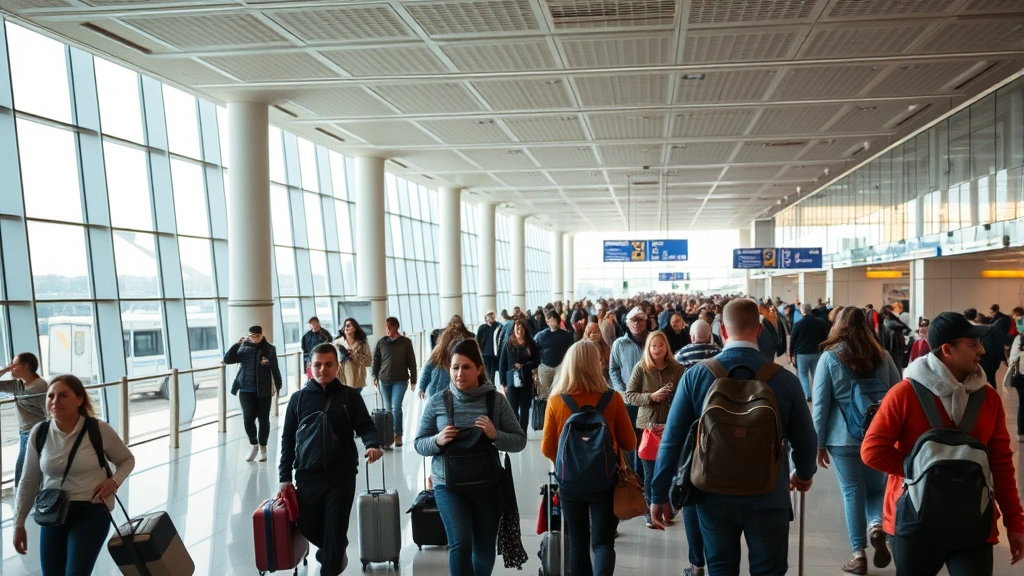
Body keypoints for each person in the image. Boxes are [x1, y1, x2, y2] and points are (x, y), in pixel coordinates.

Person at [649, 298, 817, 576]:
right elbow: (806, 438)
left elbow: (672, 440)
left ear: (723, 332)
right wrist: (804, 473)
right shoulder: (785, 379)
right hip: (769, 494)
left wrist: (659, 493)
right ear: (760, 331)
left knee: (721, 568)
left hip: (711, 494)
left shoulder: (696, 376)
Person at [861, 312, 1024, 574]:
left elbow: (1001, 463)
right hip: (915, 521)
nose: (981, 351)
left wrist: (1015, 523)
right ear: (947, 349)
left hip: (974, 522)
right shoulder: (904, 393)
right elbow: (872, 451)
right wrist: (920, 469)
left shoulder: (988, 399)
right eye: (972, 344)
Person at [414, 339, 527, 576]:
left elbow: (519, 440)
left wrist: (495, 435)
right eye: (455, 367)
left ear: (478, 369)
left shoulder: (495, 400)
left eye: (466, 367)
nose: (459, 373)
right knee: (461, 543)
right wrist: (437, 440)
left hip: (487, 486)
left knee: (484, 553)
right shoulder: (438, 401)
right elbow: (419, 444)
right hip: (448, 486)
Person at [14, 374, 136, 575]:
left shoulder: (98, 429)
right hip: (53, 511)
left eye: (63, 396)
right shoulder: (40, 432)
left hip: (92, 510)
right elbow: (28, 481)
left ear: (79, 399)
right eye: (51, 396)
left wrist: (114, 481)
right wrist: (19, 524)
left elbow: (127, 460)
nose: (55, 401)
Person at [279, 343, 383, 576]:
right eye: (317, 364)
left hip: (341, 476)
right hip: (307, 476)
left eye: (328, 364)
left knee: (335, 530)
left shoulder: (349, 397)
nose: (322, 369)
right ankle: (334, 550)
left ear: (337, 367)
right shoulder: (298, 400)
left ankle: (332, 555)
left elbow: (365, 426)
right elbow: (287, 440)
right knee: (306, 525)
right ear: (309, 367)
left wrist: (372, 444)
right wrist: (284, 476)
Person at [811, 307, 902, 574]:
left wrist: (818, 444)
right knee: (875, 491)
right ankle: (876, 525)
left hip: (842, 438)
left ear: (838, 326)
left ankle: (858, 554)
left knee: (852, 493)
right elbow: (898, 394)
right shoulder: (882, 356)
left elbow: (820, 407)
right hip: (878, 436)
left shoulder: (829, 358)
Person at [541, 340, 637, 576]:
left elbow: (546, 448)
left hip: (570, 484)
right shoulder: (612, 398)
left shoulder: (556, 401)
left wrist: (568, 463)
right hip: (605, 480)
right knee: (603, 542)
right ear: (597, 365)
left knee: (578, 543)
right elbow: (630, 443)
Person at [624, 331, 683, 529]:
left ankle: (668, 506)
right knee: (650, 472)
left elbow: (684, 397)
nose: (657, 349)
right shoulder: (641, 368)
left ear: (667, 347)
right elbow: (630, 395)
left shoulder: (677, 369)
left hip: (671, 426)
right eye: (653, 346)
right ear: (648, 348)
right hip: (648, 427)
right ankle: (650, 509)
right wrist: (651, 397)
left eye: (661, 345)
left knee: (671, 470)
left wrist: (670, 397)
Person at [224, 325, 283, 462]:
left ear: (262, 335)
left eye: (257, 336)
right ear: (248, 335)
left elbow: (274, 368)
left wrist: (279, 386)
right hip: (245, 389)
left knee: (263, 419)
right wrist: (237, 344)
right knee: (248, 419)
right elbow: (227, 360)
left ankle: (263, 448)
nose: (255, 338)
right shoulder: (243, 347)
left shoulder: (269, 348)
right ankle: (254, 444)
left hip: (264, 389)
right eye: (252, 336)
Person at [609, 306, 649, 477]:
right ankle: (629, 477)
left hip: (649, 399)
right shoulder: (620, 344)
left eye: (640, 319)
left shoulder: (653, 340)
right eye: (633, 320)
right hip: (628, 401)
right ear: (627, 323)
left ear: (646, 322)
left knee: (646, 440)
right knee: (628, 439)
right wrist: (622, 391)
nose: (636, 323)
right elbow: (614, 370)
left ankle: (644, 475)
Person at [0, 352, 47, 486]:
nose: (11, 368)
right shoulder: (18, 384)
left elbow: (48, 411)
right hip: (25, 432)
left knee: (22, 471)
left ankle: (22, 502)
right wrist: (6, 370)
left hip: (37, 432)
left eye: (14, 365)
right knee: (29, 470)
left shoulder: (39, 386)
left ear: (25, 366)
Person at [372, 317, 417, 448]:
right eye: (386, 327)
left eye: (389, 327)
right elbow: (376, 360)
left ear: (396, 327)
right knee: (388, 410)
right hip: (384, 380)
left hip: (400, 380)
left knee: (396, 407)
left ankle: (398, 434)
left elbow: (412, 362)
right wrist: (375, 377)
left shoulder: (405, 342)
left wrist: (413, 379)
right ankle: (388, 435)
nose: (387, 329)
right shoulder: (381, 342)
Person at [497, 318, 539, 433]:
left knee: (525, 408)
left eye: (521, 328)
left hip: (526, 380)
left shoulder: (530, 343)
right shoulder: (508, 343)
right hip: (511, 381)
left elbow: (537, 361)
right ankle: (517, 432)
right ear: (513, 329)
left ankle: (523, 432)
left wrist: (526, 366)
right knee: (513, 409)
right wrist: (502, 382)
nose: (519, 330)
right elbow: (502, 363)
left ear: (525, 329)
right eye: (517, 328)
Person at [790, 302, 830, 402]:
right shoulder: (820, 323)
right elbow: (825, 338)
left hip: (802, 354)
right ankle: (818, 394)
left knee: (803, 374)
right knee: (816, 374)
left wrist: (791, 354)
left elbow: (793, 340)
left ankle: (807, 395)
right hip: (816, 353)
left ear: (802, 311)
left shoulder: (798, 324)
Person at [534, 311, 575, 398]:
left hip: (560, 366)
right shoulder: (541, 335)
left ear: (557, 321)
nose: (552, 323)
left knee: (559, 392)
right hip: (545, 366)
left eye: (554, 321)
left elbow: (570, 350)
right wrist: (535, 367)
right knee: (544, 393)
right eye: (550, 321)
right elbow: (536, 350)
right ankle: (545, 409)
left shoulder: (565, 335)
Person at [967, 308, 1006, 388]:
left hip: (980, 360)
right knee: (990, 379)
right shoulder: (991, 329)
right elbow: (998, 345)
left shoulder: (967, 330)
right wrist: (1001, 358)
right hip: (989, 360)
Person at [418, 328, 460, 399]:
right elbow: (426, 372)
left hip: (451, 394)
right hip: (434, 393)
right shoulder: (437, 355)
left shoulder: (458, 356)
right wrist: (421, 388)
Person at [1002, 309, 1024, 442]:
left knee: (1022, 404)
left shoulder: (1019, 338)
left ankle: (1021, 433)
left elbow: (1012, 359)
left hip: (1020, 376)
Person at [334, 318, 370, 389]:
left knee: (355, 398)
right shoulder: (337, 343)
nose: (347, 328)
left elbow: (368, 361)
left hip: (358, 379)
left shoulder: (362, 342)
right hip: (342, 379)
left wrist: (354, 355)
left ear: (355, 328)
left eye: (349, 325)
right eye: (345, 326)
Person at [476, 312, 500, 382]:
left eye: (492, 317)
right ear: (485, 318)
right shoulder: (482, 328)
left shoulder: (497, 327)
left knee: (492, 374)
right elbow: (478, 341)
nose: (490, 319)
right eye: (488, 317)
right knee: (486, 373)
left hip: (494, 355)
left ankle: (491, 386)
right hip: (484, 354)